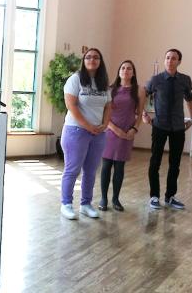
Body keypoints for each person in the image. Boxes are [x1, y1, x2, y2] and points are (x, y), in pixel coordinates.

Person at [60, 48, 112, 220]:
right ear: (83, 60)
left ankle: (85, 204)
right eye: (88, 57)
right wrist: (88, 126)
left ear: (100, 61)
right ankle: (66, 204)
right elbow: (71, 106)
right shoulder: (75, 80)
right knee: (72, 169)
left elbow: (108, 106)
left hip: (98, 133)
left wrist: (104, 124)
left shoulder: (103, 81)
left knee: (90, 171)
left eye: (96, 57)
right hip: (76, 130)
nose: (92, 60)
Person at [142, 48, 192, 210]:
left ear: (179, 61)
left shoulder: (185, 80)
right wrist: (143, 114)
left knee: (175, 163)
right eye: (167, 58)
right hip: (159, 126)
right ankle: (154, 196)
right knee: (155, 161)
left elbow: (189, 99)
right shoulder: (156, 80)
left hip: (178, 127)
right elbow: (143, 95)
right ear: (164, 60)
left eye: (173, 58)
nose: (170, 61)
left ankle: (170, 196)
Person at [99, 60, 145, 212]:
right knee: (106, 166)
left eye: (129, 68)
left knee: (119, 166)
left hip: (127, 133)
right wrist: (114, 129)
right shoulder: (110, 89)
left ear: (133, 73)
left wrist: (134, 129)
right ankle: (104, 198)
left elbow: (139, 114)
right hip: (110, 131)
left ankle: (116, 199)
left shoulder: (139, 90)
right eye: (123, 68)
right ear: (119, 72)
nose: (126, 70)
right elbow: (104, 113)